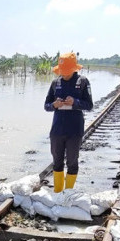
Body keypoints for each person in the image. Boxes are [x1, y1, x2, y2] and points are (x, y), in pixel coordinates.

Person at [44, 52, 94, 193]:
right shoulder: (55, 83)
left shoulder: (83, 82)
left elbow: (89, 105)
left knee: (72, 162)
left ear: (74, 69)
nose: (64, 75)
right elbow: (46, 106)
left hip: (74, 130)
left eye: (67, 72)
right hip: (57, 130)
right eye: (62, 72)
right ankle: (58, 192)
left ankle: (69, 193)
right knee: (57, 161)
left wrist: (75, 102)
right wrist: (54, 105)